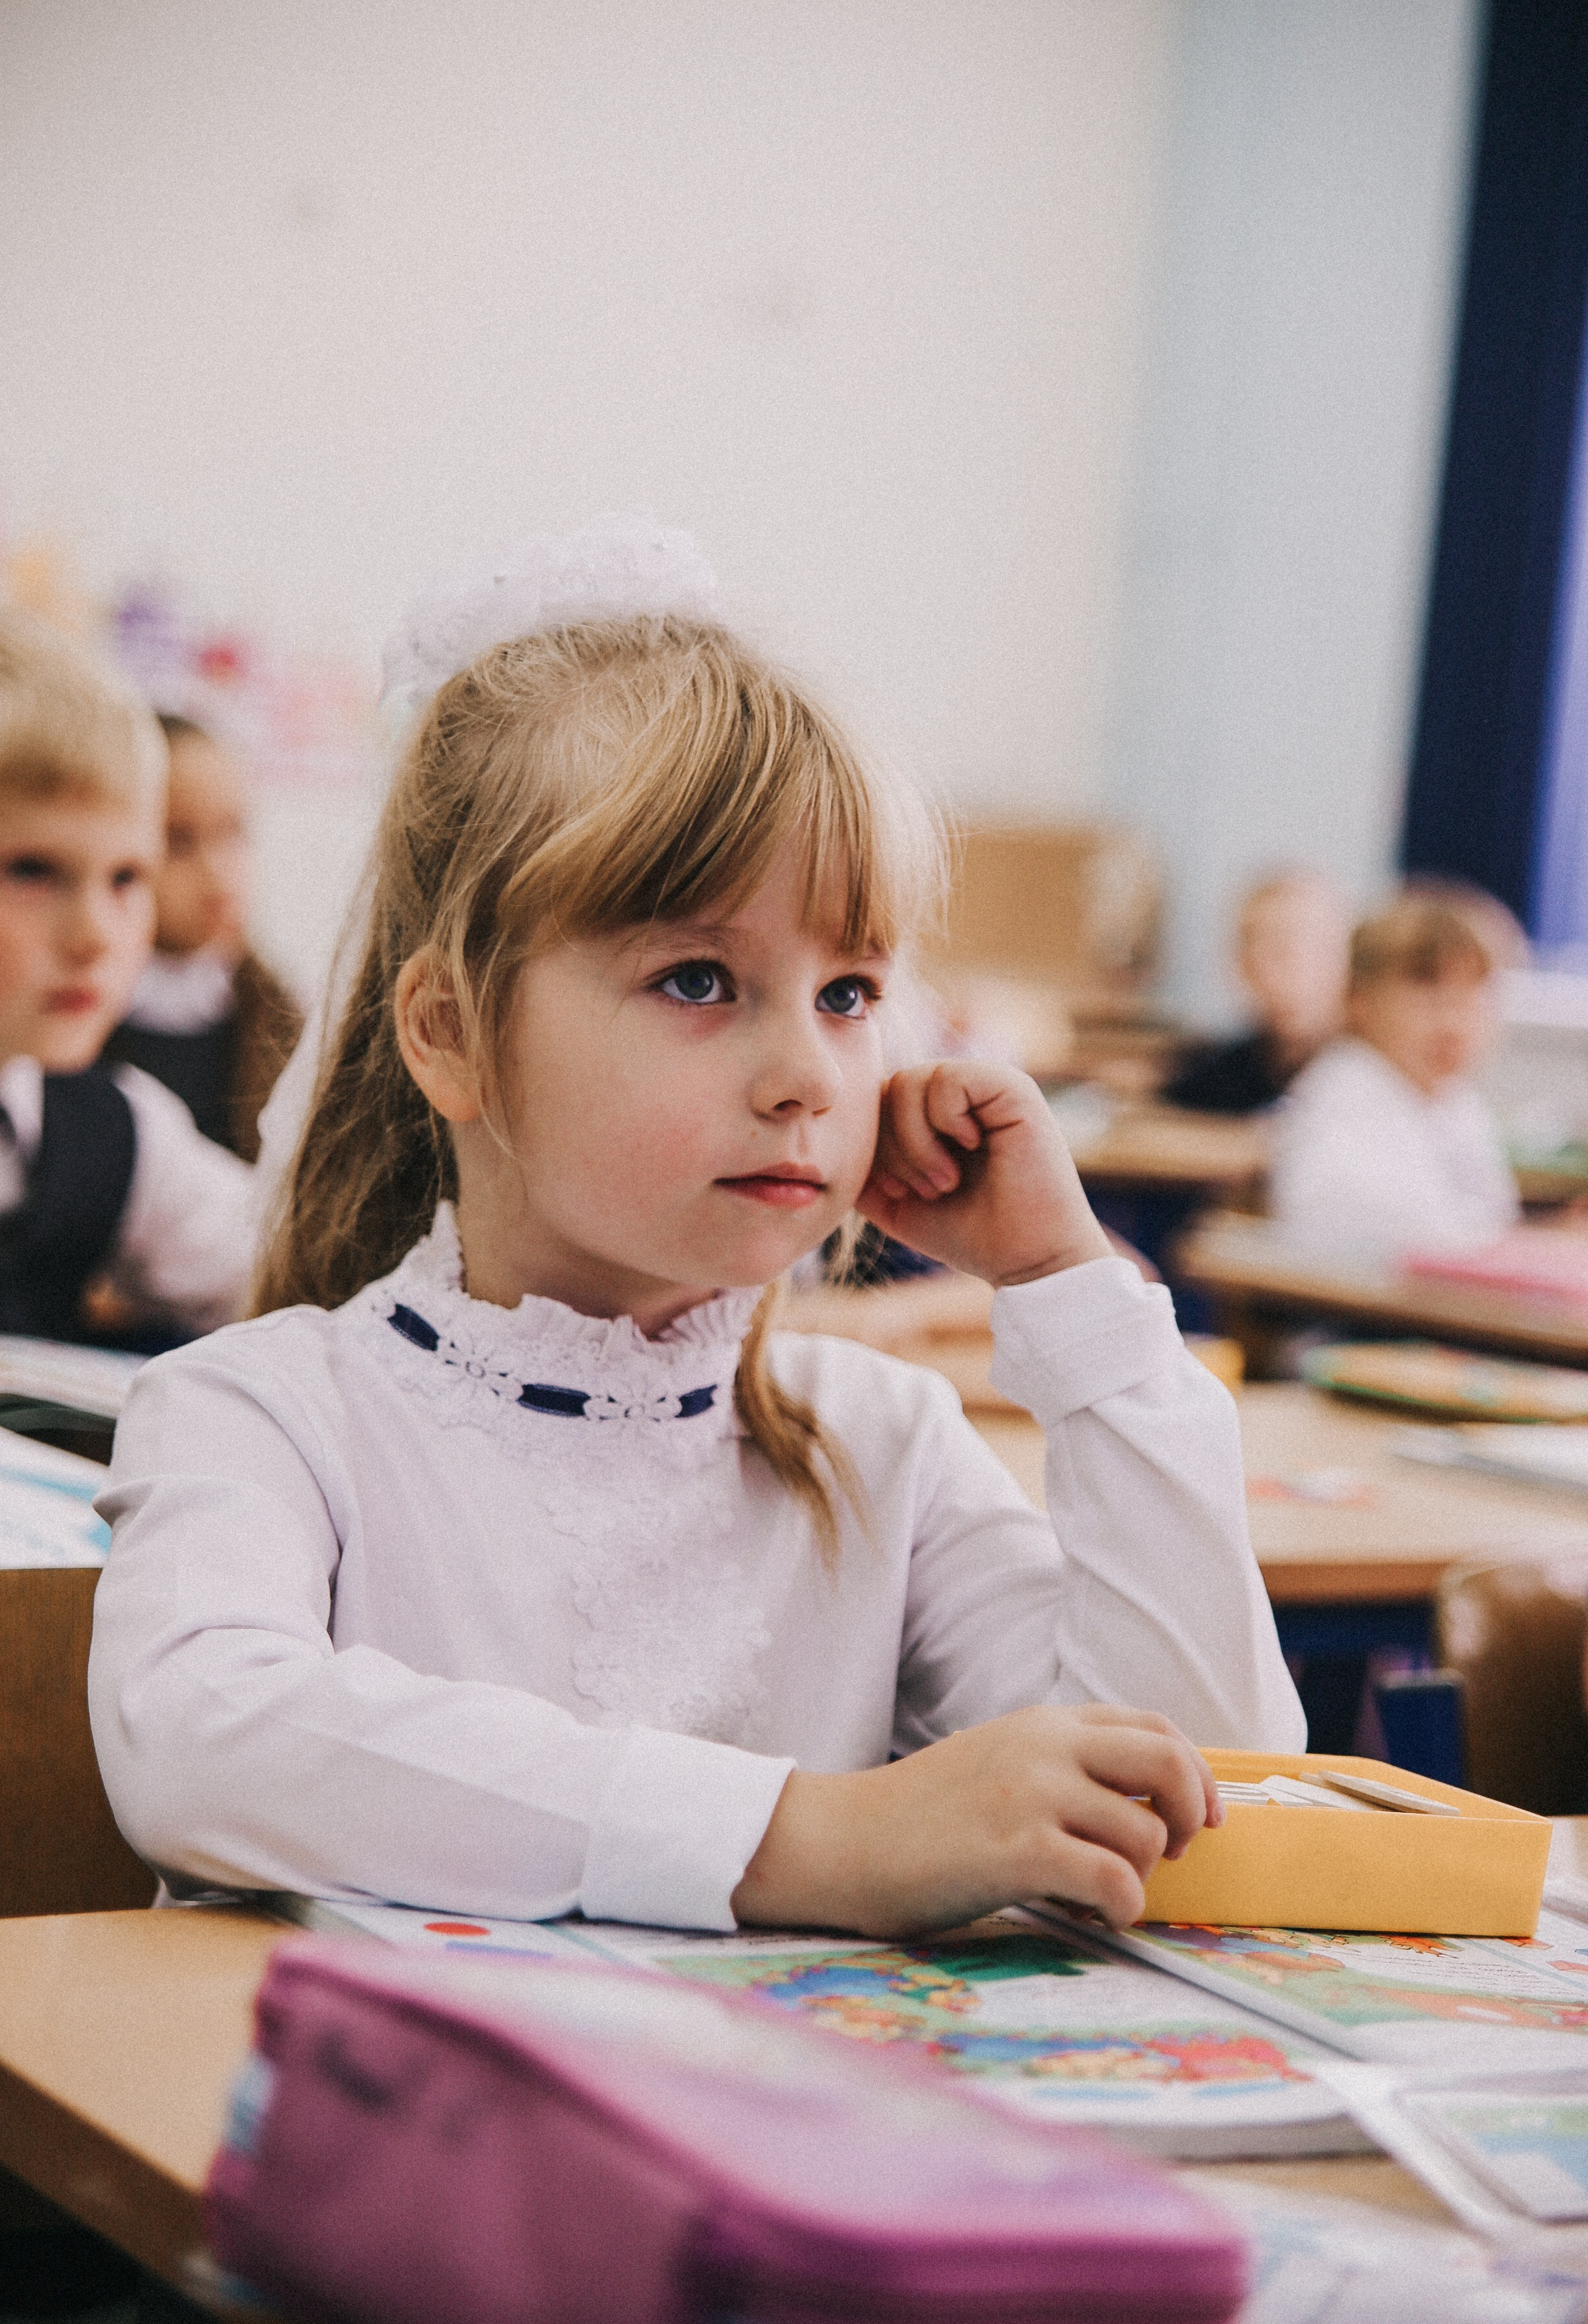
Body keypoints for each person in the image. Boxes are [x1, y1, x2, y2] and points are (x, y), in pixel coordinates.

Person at [89, 522, 1302, 1943]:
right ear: (451, 1033)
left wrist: (1065, 1287)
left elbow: (1196, 1784)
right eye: (700, 979)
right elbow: (208, 1738)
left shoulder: (879, 1444)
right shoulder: (260, 1409)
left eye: (849, 992)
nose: (806, 1073)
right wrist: (814, 1837)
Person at [0, 612, 257, 1347]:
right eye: (33, 870)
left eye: (126, 877)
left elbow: (298, 1268)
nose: (94, 936)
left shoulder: (120, 1131)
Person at [1269, 893, 1518, 1259]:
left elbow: (1489, 1223)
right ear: (1358, 999)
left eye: (1476, 987)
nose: (1455, 1012)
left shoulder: (1457, 1102)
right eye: (1426, 984)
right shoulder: (1344, 1097)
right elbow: (1400, 1240)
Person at [101, 714, 302, 1160]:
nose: (217, 873)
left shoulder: (281, 1016)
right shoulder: (83, 1020)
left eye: (233, 831)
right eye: (180, 840)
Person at [1164, 870, 1349, 1115]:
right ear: (1242, 966)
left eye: (1315, 948)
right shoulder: (1210, 1081)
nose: (1292, 971)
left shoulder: (1380, 1080)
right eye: (1271, 953)